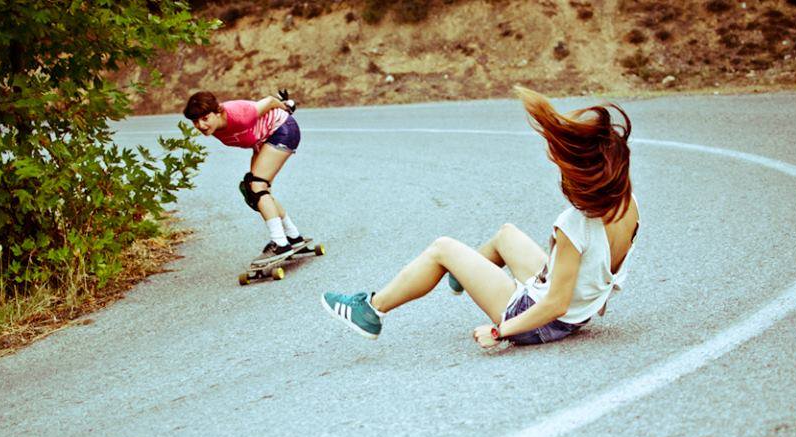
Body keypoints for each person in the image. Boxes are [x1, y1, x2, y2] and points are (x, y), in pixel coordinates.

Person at [320, 87, 640, 349]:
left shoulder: (574, 225)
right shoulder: (628, 204)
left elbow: (555, 304)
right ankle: (468, 272)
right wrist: (592, 300)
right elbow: (605, 268)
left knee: (442, 248)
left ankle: (371, 310)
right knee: (506, 234)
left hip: (538, 319)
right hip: (574, 312)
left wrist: (501, 331)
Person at [183, 89, 311, 267]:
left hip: (282, 130)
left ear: (217, 112)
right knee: (256, 191)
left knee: (257, 186)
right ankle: (293, 236)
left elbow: (269, 101)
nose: (201, 125)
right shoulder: (215, 127)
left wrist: (286, 107)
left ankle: (280, 243)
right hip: (265, 139)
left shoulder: (239, 114)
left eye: (205, 118)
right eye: (196, 121)